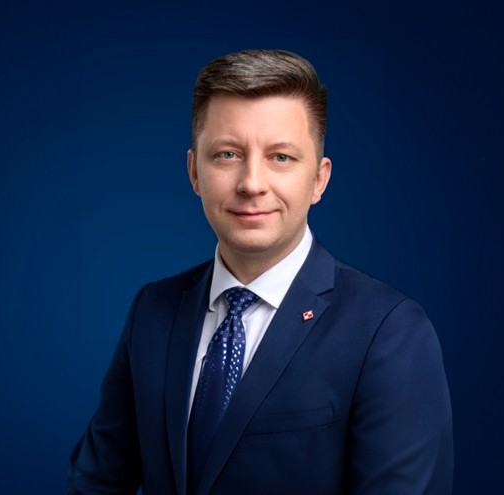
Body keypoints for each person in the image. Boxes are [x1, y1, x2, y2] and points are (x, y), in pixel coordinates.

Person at [66, 49, 453, 495]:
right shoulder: (152, 310)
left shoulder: (389, 332)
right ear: (194, 172)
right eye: (227, 154)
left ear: (319, 179)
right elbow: (95, 483)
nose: (252, 183)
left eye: (281, 157)